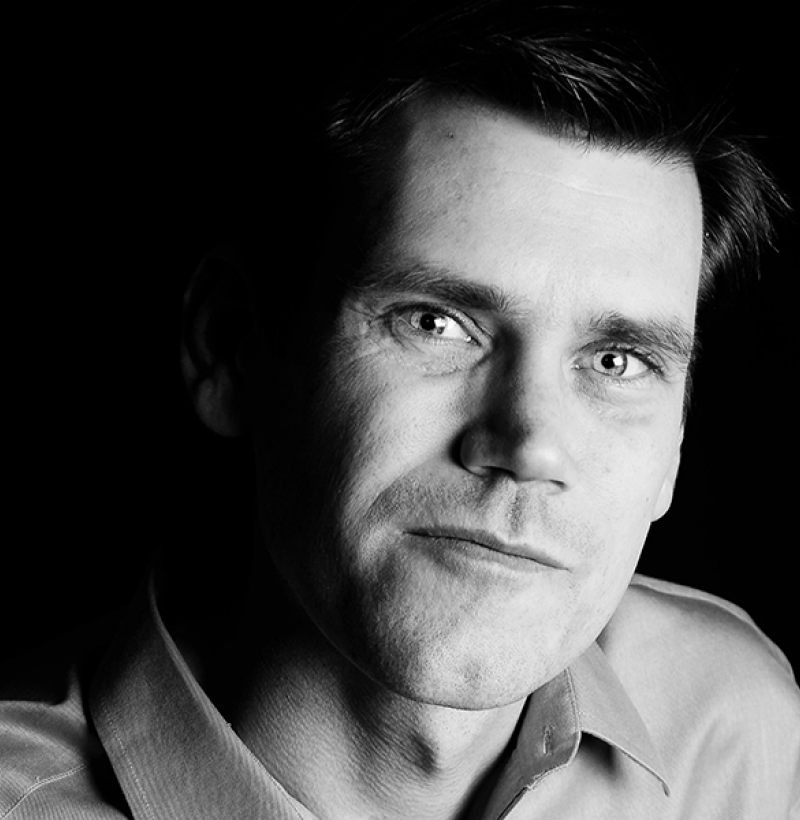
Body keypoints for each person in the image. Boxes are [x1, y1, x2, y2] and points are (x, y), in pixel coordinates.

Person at [2, 1, 798, 818]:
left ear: (675, 449)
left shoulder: (736, 726)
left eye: (616, 361)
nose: (530, 445)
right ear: (231, 347)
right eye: (435, 323)